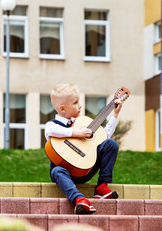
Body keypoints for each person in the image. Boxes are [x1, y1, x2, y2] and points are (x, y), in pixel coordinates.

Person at [45, 83, 123, 215]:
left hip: (85, 169)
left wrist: (115, 114)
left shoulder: (82, 124)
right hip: (64, 173)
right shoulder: (53, 125)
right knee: (57, 171)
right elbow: (50, 130)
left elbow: (103, 136)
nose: (80, 105)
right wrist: (76, 133)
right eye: (75, 102)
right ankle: (79, 199)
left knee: (110, 144)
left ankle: (101, 187)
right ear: (62, 108)